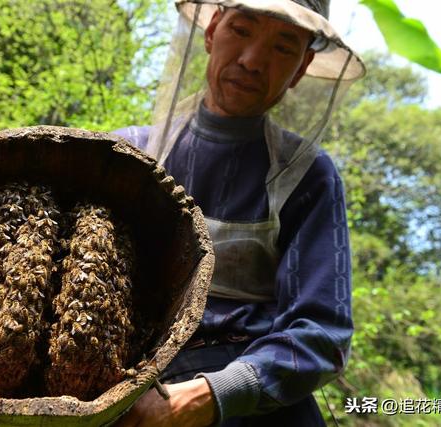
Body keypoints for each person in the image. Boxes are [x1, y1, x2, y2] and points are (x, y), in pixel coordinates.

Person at [114, 1, 365, 426]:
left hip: (260, 409)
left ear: (301, 69)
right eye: (242, 30)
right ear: (212, 31)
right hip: (129, 399)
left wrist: (212, 394)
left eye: (283, 48)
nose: (251, 61)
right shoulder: (125, 153)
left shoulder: (308, 176)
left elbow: (323, 334)